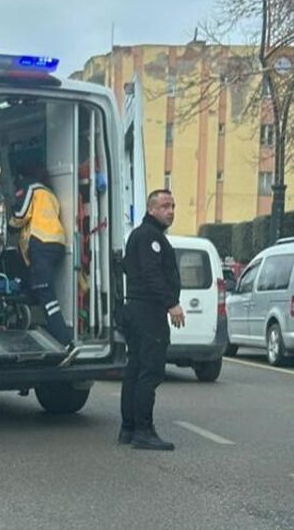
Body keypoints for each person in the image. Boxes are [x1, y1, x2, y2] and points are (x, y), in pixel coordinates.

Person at [119, 189, 186, 451]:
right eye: (165, 206)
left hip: (137, 310)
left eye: (173, 206)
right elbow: (151, 273)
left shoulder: (141, 235)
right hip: (148, 312)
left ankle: (128, 428)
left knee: (135, 369)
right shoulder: (150, 236)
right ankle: (143, 431)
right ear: (151, 209)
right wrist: (171, 303)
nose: (170, 211)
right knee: (150, 370)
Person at [8, 167, 71, 346]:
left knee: (45, 294)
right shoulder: (49, 193)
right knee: (34, 287)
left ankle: (65, 342)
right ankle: (42, 332)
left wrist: (11, 224)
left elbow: (21, 213)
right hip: (56, 244)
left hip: (41, 243)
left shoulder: (30, 187)